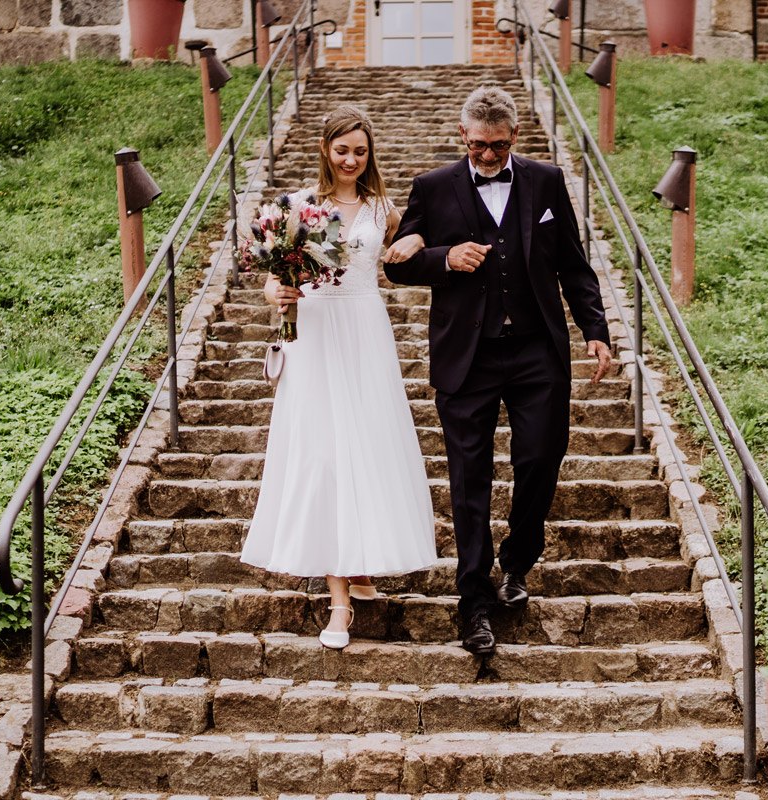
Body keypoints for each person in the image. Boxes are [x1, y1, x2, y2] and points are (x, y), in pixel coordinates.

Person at [384, 86, 612, 655]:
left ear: (516, 138)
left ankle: (517, 563)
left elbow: (574, 268)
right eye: (480, 146)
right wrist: (444, 258)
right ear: (463, 136)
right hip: (468, 357)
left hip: (538, 350)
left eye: (500, 146)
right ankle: (474, 603)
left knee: (541, 459)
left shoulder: (546, 181)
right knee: (469, 483)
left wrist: (597, 332)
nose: (489, 156)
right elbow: (399, 268)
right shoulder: (431, 189)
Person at [241, 106, 436, 650]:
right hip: (318, 330)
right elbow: (274, 274)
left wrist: (414, 243)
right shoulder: (299, 207)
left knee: (368, 447)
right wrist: (273, 294)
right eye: (342, 149)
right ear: (326, 149)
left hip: (366, 330)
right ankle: (340, 600)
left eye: (360, 151)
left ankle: (365, 569)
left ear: (370, 155)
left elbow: (415, 241)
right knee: (325, 451)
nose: (351, 159)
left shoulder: (382, 208)